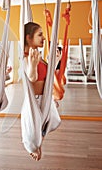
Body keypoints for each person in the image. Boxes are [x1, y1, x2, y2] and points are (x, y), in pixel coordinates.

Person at [22, 22, 61, 161]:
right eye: (40, 35)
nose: (43, 38)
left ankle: (38, 144)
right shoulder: (27, 58)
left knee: (54, 121)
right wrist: (32, 66)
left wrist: (55, 61)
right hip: (36, 101)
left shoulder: (39, 57)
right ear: (28, 38)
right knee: (33, 134)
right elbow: (31, 78)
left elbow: (48, 75)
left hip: (45, 99)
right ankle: (36, 147)